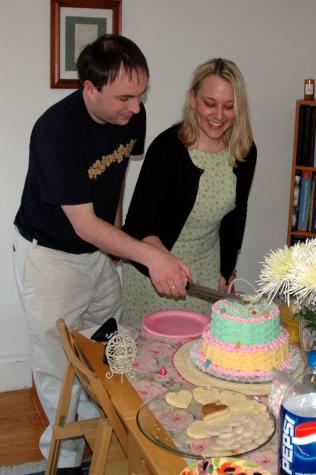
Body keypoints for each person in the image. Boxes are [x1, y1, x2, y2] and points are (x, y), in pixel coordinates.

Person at [13, 34, 191, 474]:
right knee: (59, 370)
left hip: (96, 252)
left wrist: (117, 241)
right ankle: (68, 461)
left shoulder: (132, 114)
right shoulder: (55, 132)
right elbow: (82, 223)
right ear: (90, 88)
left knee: (112, 349)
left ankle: (104, 439)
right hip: (51, 258)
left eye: (141, 95)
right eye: (125, 98)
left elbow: (115, 177)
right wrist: (149, 256)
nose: (136, 108)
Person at [122, 57, 257, 323]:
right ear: (192, 99)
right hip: (154, 271)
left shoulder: (244, 152)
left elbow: (236, 216)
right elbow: (137, 225)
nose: (219, 116)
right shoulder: (167, 149)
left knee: (201, 357)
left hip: (205, 273)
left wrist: (227, 271)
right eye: (210, 103)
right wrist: (163, 263)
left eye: (229, 107)